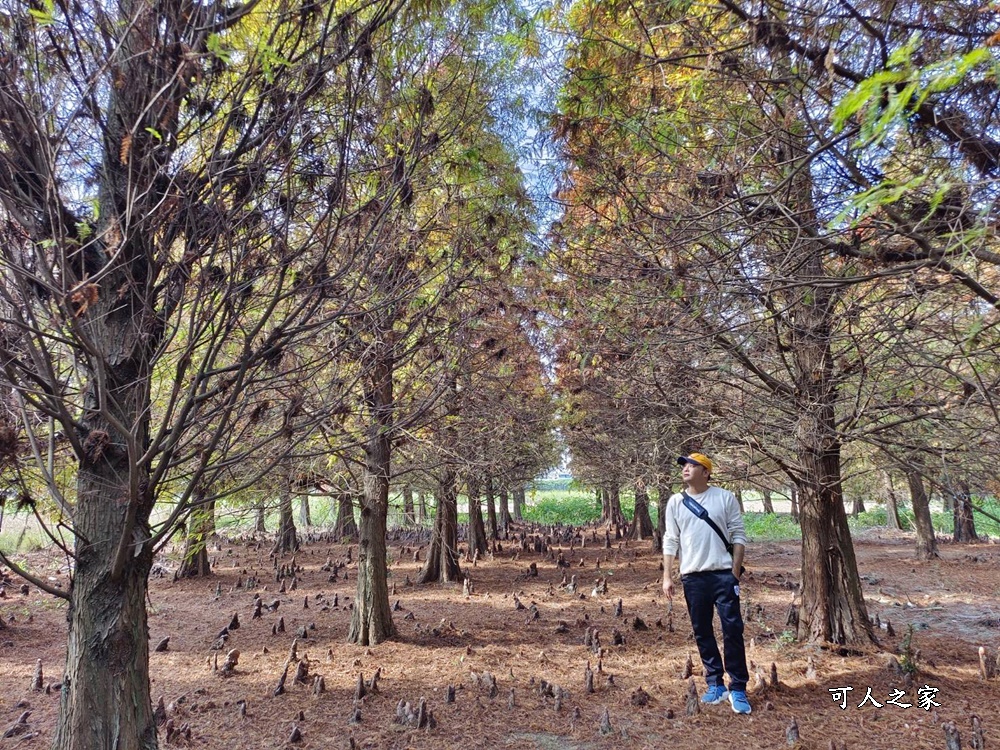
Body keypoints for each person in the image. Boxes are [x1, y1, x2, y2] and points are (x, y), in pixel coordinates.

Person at [662, 452, 751, 714]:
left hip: (723, 575)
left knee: (732, 629)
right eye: (684, 466)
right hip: (692, 576)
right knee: (702, 630)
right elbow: (671, 539)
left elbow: (738, 534)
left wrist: (734, 572)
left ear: (706, 471)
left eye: (692, 465)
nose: (685, 469)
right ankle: (715, 684)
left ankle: (738, 687)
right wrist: (668, 575)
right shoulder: (676, 502)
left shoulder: (724, 497)